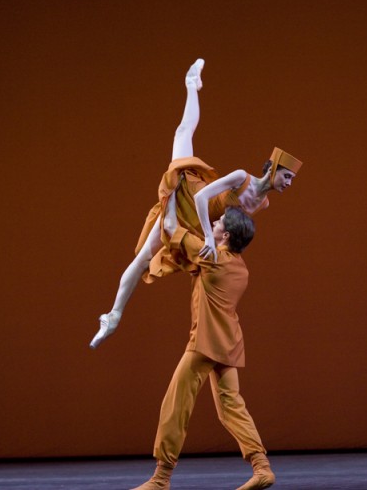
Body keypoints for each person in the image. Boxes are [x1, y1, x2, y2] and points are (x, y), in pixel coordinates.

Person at [90, 59, 302, 349]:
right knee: (182, 133)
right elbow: (203, 197)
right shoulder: (242, 178)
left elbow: (232, 226)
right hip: (189, 193)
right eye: (287, 176)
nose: (289, 184)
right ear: (274, 168)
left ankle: (114, 316)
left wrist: (214, 246)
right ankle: (113, 317)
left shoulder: (262, 203)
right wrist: (207, 236)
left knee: (148, 255)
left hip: (200, 226)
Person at [131, 193, 274, 490]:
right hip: (229, 343)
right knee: (232, 406)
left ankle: (161, 478)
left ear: (227, 234)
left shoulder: (212, 257)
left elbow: (170, 225)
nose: (215, 221)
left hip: (205, 344)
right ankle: (262, 467)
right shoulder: (238, 266)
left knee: (176, 404)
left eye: (220, 221)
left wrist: (170, 192)